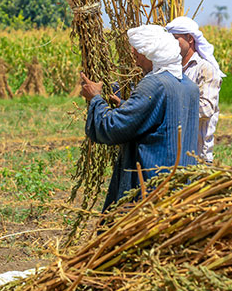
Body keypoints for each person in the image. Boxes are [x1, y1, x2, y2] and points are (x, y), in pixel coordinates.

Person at [80, 24, 199, 211]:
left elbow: (113, 127)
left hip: (152, 187)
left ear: (150, 54)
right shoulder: (188, 86)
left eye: (138, 55)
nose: (135, 61)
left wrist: (95, 98)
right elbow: (160, 119)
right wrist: (125, 105)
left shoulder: (154, 84)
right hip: (180, 185)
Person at [166, 16, 226, 163]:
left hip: (198, 155)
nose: (172, 44)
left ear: (190, 39)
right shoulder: (171, 69)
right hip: (174, 154)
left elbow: (206, 110)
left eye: (176, 38)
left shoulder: (205, 69)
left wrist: (170, 110)